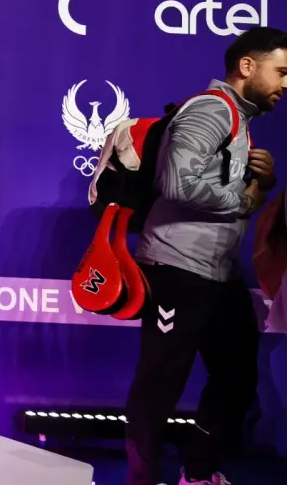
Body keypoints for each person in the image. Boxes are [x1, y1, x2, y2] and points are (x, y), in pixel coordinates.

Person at [126, 26, 287, 485]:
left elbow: (219, 183)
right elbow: (177, 185)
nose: (286, 83)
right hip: (176, 267)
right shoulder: (210, 109)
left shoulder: (239, 119)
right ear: (247, 66)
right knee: (160, 382)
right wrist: (247, 199)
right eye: (281, 72)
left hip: (217, 273)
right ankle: (143, 480)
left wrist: (261, 181)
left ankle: (197, 472)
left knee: (236, 377)